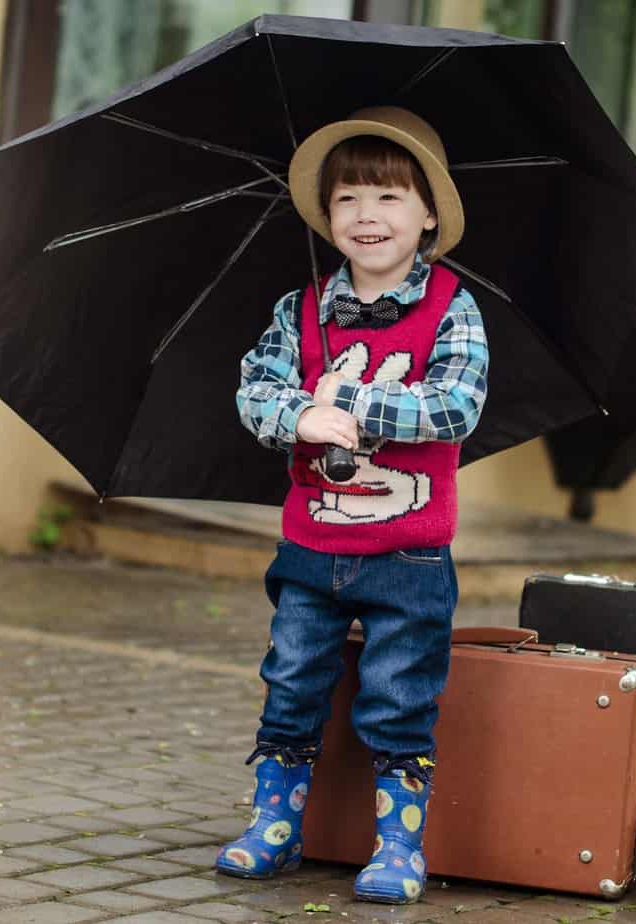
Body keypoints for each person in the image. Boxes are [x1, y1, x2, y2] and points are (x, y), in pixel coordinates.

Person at [219, 106, 488, 904]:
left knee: (399, 693)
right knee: (292, 678)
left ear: (429, 214)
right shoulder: (298, 311)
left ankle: (399, 843)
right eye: (347, 200)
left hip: (410, 557)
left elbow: (456, 408)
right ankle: (276, 824)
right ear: (326, 214)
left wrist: (361, 403)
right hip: (310, 550)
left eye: (390, 198)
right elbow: (252, 387)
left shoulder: (452, 308)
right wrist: (299, 414)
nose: (367, 216)